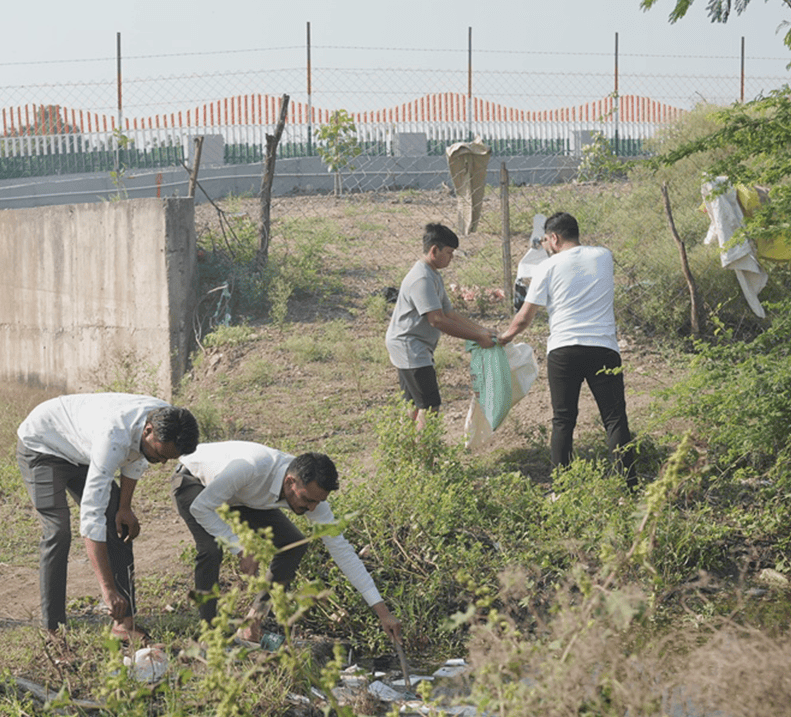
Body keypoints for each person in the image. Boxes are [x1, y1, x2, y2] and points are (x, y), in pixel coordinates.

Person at [174, 440, 404, 644]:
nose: (311, 508)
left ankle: (254, 620)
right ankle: (210, 635)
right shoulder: (250, 468)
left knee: (294, 544)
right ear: (290, 481)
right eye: (307, 500)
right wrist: (240, 549)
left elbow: (341, 550)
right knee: (210, 549)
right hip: (195, 481)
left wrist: (383, 612)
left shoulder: (310, 496)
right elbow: (201, 507)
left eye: (317, 502)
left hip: (243, 497)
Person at [15, 393, 199, 640]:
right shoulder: (114, 436)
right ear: (148, 430)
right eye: (160, 456)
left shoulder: (167, 420)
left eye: (168, 458)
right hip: (44, 445)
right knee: (58, 532)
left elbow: (138, 458)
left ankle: (124, 625)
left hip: (84, 449)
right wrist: (108, 589)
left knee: (117, 522)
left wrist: (124, 507)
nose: (164, 463)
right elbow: (92, 516)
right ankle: (54, 630)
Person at [498, 211, 635, 486]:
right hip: (603, 348)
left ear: (554, 238)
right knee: (615, 418)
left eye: (546, 241)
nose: (545, 247)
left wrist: (503, 338)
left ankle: (561, 488)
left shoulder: (546, 268)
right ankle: (626, 487)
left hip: (564, 351)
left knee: (563, 420)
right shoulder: (604, 256)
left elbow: (525, 316)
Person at [386, 222, 498, 427]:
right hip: (410, 345)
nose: (451, 258)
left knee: (413, 404)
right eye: (448, 252)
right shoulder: (421, 278)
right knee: (429, 407)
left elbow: (449, 313)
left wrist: (481, 330)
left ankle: (408, 451)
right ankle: (424, 457)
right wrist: (477, 338)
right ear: (434, 250)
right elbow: (437, 320)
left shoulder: (432, 275)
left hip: (410, 344)